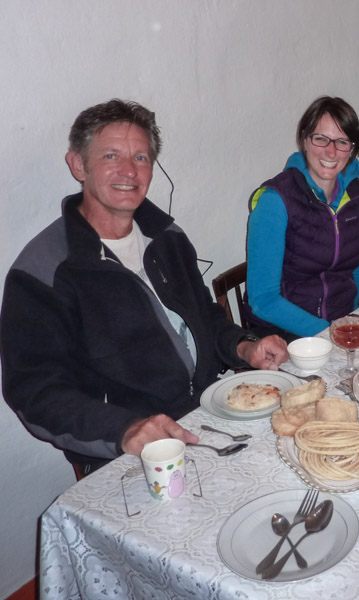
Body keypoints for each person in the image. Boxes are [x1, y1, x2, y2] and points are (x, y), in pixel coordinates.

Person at [0, 99, 289, 476]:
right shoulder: (43, 271)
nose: (128, 171)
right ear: (78, 165)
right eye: (110, 156)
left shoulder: (166, 237)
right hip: (129, 456)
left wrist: (243, 346)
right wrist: (123, 429)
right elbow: (35, 392)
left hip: (209, 420)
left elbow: (204, 316)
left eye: (140, 158)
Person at [244, 96, 359, 340]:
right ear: (305, 140)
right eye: (321, 139)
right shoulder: (275, 201)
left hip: (343, 324)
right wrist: (327, 334)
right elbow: (263, 300)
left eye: (342, 142)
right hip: (283, 334)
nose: (330, 151)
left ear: (352, 149)